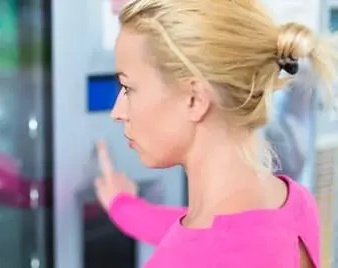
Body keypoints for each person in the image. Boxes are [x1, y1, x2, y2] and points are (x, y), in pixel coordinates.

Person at [94, 0, 337, 267]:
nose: (117, 112)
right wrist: (125, 208)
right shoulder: (296, 203)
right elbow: (218, 240)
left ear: (195, 99)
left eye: (128, 88)